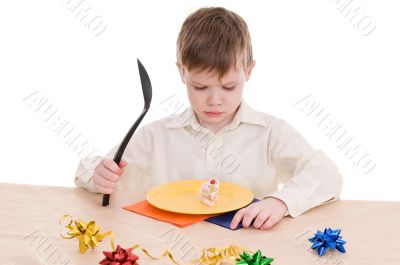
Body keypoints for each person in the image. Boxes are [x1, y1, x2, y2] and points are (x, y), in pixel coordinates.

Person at [75, 7, 342, 230]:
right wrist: (97, 176)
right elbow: (90, 172)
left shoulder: (271, 132)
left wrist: (281, 202)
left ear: (249, 71)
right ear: (182, 73)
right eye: (200, 87)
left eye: (228, 87)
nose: (215, 100)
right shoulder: (155, 136)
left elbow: (327, 174)